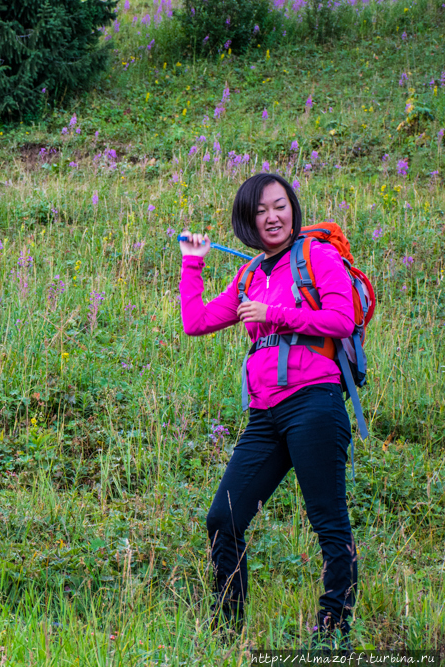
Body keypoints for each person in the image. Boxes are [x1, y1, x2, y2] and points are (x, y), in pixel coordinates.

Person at [178, 173, 357, 647]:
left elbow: (342, 319)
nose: (273, 216)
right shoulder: (251, 273)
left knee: (328, 520)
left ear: (292, 208)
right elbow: (194, 322)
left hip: (315, 402)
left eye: (280, 206)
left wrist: (272, 314)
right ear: (247, 220)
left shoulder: (319, 256)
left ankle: (333, 630)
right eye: (261, 210)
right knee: (224, 518)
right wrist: (192, 264)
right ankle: (227, 624)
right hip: (265, 414)